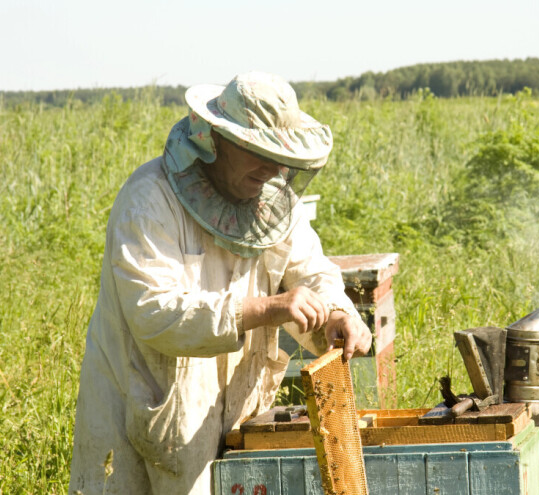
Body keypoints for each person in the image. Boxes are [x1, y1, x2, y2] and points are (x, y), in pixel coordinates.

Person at [68, 72, 372, 494]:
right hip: (145, 413)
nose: (271, 170)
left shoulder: (273, 201)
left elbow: (311, 269)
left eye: (278, 156)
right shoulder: (148, 200)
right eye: (256, 152)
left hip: (234, 412)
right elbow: (155, 314)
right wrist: (268, 308)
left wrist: (338, 312)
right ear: (218, 141)